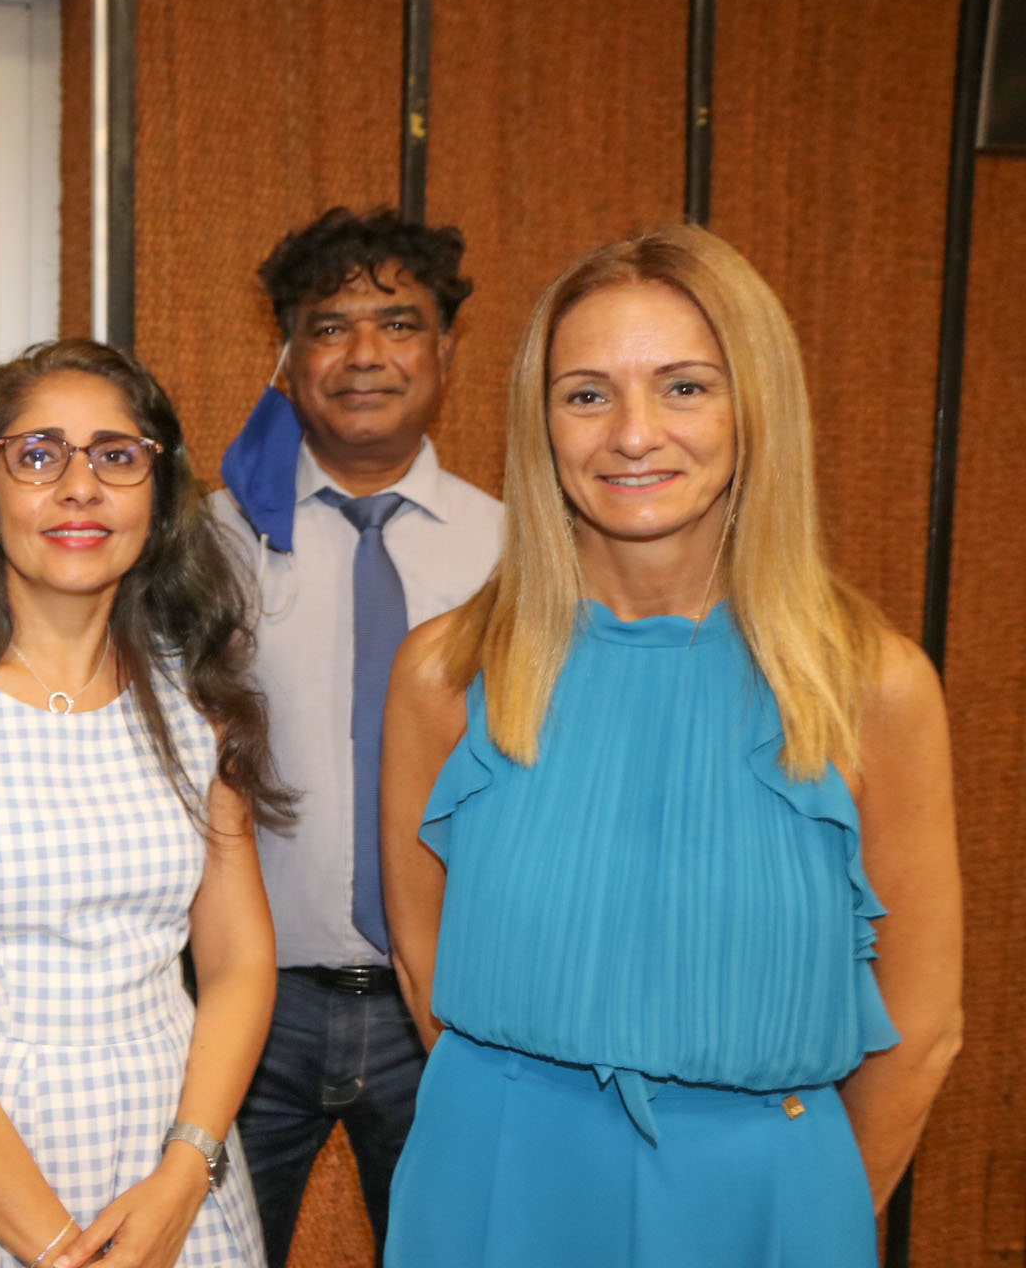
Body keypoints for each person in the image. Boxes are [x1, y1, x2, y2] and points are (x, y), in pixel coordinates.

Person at [380, 225, 962, 1266]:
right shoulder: (446, 674)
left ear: (755, 406)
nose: (633, 433)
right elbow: (425, 970)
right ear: (541, 421)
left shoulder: (873, 685)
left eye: (686, 386)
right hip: (493, 1188)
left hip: (765, 1204)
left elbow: (921, 1030)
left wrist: (802, 1203)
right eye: (587, 392)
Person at [0, 339, 290, 1267]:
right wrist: (57, 1248)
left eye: (117, 456)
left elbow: (237, 962)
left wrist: (184, 1171)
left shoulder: (196, 693)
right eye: (37, 456)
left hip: (167, 1169)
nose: (81, 487)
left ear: (156, 503)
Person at [210, 205, 502, 1263]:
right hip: (251, 1007)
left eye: (399, 322)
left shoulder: (519, 552)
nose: (366, 353)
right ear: (287, 361)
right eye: (331, 326)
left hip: (455, 1012)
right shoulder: (210, 544)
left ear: (446, 350)